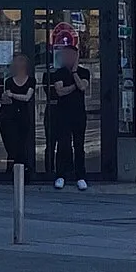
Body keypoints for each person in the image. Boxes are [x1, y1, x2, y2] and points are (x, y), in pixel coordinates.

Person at [45, 44, 88, 189]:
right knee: (63, 145)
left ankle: (80, 176)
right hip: (62, 114)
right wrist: (74, 86)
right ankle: (60, 175)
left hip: (79, 114)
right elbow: (60, 91)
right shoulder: (59, 73)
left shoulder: (84, 72)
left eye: (71, 55)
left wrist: (75, 73)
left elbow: (83, 86)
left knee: (79, 145)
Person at [0, 50, 37, 176]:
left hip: (23, 116)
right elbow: (6, 98)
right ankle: (12, 169)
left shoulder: (31, 80)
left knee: (21, 144)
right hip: (9, 116)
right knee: (11, 143)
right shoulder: (8, 81)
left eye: (20, 62)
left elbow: (27, 97)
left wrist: (13, 95)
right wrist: (5, 96)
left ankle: (21, 170)